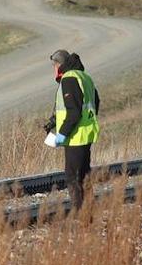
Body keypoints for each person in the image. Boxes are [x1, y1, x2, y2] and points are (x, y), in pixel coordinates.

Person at [43, 50, 101, 211]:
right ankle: (88, 213)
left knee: (73, 177)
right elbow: (94, 102)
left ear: (58, 65)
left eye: (54, 66)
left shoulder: (69, 79)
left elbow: (73, 111)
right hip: (86, 134)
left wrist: (62, 134)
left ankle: (82, 216)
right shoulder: (84, 77)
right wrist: (54, 121)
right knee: (84, 176)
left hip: (75, 136)